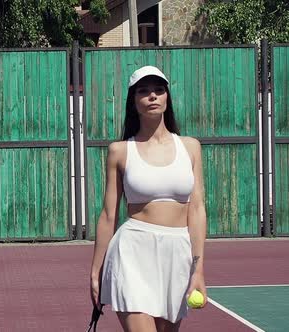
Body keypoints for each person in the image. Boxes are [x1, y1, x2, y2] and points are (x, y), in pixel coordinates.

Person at [89, 65, 208, 332]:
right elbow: (109, 215)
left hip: (177, 255)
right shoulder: (120, 151)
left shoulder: (190, 147)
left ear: (167, 97)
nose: (152, 96)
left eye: (158, 90)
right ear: (134, 102)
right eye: (144, 91)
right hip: (132, 252)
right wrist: (96, 270)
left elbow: (197, 209)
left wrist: (198, 268)